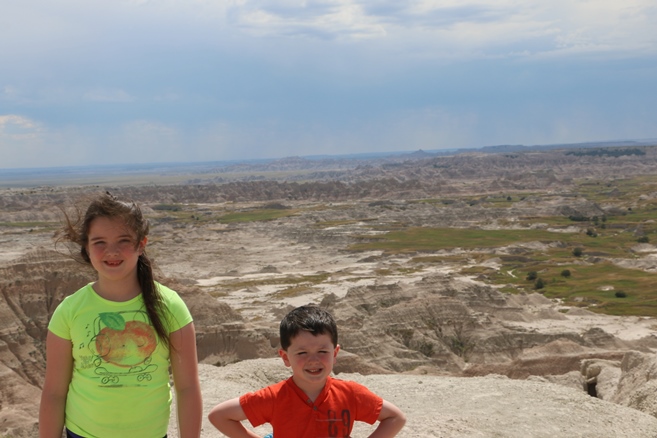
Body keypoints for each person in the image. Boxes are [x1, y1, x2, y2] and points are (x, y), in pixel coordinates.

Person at [39, 192, 202, 438]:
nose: (112, 251)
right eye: (99, 242)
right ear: (86, 247)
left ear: (141, 244)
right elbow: (54, 393)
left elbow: (187, 388)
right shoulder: (69, 311)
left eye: (123, 240)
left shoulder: (170, 306)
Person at [208, 305, 406, 438]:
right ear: (285, 357)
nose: (313, 360)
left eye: (322, 351)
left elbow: (396, 418)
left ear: (335, 353)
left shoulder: (350, 394)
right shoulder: (275, 397)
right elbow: (219, 416)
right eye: (302, 352)